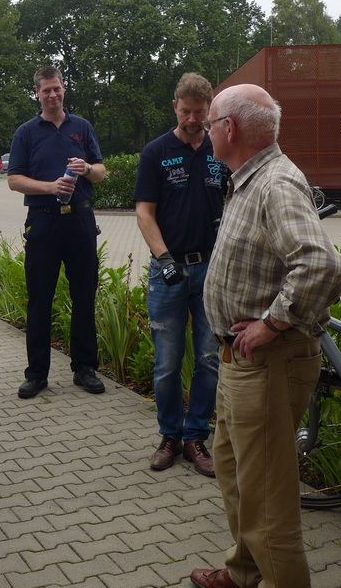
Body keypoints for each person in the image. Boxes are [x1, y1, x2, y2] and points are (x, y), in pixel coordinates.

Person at [189, 84, 341, 588]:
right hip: (241, 363)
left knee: (268, 496)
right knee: (236, 475)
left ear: (229, 129)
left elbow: (320, 264)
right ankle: (243, 571)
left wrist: (272, 322)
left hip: (268, 363)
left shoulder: (274, 184)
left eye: (210, 122)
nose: (205, 130)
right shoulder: (248, 180)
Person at [133, 73, 224, 477]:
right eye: (186, 111)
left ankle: (196, 437)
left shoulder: (220, 150)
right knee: (167, 363)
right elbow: (144, 213)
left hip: (211, 270)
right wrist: (164, 258)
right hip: (168, 270)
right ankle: (169, 435)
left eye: (200, 113)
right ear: (175, 106)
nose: (192, 119)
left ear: (209, 112)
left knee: (208, 359)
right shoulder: (156, 152)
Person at [6, 65, 106, 399]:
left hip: (79, 221)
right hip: (43, 221)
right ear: (37, 92)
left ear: (65, 89)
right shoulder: (26, 132)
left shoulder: (82, 127)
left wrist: (87, 168)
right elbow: (14, 179)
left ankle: (84, 368)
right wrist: (50, 187)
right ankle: (36, 374)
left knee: (84, 297)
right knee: (39, 300)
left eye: (57, 88)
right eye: (46, 90)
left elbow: (101, 172)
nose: (53, 95)